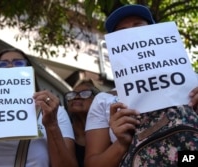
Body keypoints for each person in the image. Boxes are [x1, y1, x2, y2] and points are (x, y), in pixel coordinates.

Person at [84, 4, 198, 167]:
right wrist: (122, 143)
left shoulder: (192, 81)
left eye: (138, 26)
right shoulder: (104, 101)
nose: (130, 33)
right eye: (121, 32)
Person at [0, 48, 78, 167]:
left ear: (31, 72)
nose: (10, 66)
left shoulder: (54, 112)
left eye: (18, 63)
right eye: (2, 64)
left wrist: (52, 125)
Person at [64, 79, 100, 167]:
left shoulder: (109, 132)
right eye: (72, 95)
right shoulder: (62, 133)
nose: (76, 97)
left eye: (85, 94)